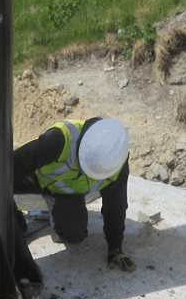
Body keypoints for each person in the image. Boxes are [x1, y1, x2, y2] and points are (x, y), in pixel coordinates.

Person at [12, 116, 136, 272]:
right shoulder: (59, 140)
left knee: (74, 236)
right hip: (34, 178)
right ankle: (16, 221)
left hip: (65, 193)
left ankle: (55, 207)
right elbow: (9, 167)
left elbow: (116, 206)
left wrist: (115, 247)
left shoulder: (115, 164)